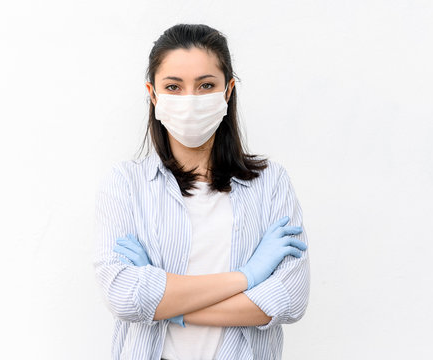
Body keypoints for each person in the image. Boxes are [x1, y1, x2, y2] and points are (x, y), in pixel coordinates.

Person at [93, 23, 310, 360]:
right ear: (153, 94)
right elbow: (123, 296)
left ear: (228, 90)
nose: (190, 101)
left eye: (206, 85)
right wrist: (249, 276)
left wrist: (166, 301)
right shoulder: (126, 185)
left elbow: (289, 299)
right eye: (173, 87)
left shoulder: (271, 183)